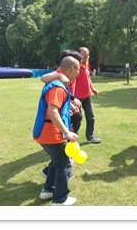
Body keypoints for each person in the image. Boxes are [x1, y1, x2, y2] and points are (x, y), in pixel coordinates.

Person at [32, 54, 81, 206]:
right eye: (78, 69)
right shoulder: (58, 87)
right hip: (52, 134)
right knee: (64, 165)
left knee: (57, 161)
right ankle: (59, 200)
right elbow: (53, 112)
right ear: (71, 69)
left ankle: (48, 190)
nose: (79, 72)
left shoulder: (56, 82)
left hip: (46, 133)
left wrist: (69, 106)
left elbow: (54, 108)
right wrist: (67, 132)